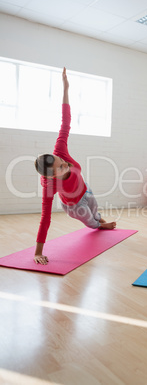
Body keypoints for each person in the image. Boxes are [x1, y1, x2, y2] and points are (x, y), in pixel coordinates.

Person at [34, 67, 116, 265]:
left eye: (62, 162)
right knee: (90, 222)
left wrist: (65, 89)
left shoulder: (59, 150)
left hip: (85, 189)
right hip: (73, 205)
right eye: (61, 168)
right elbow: (45, 219)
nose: (66, 165)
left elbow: (65, 122)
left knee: (95, 209)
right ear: (51, 176)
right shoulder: (49, 186)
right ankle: (98, 226)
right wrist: (38, 252)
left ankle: (99, 221)